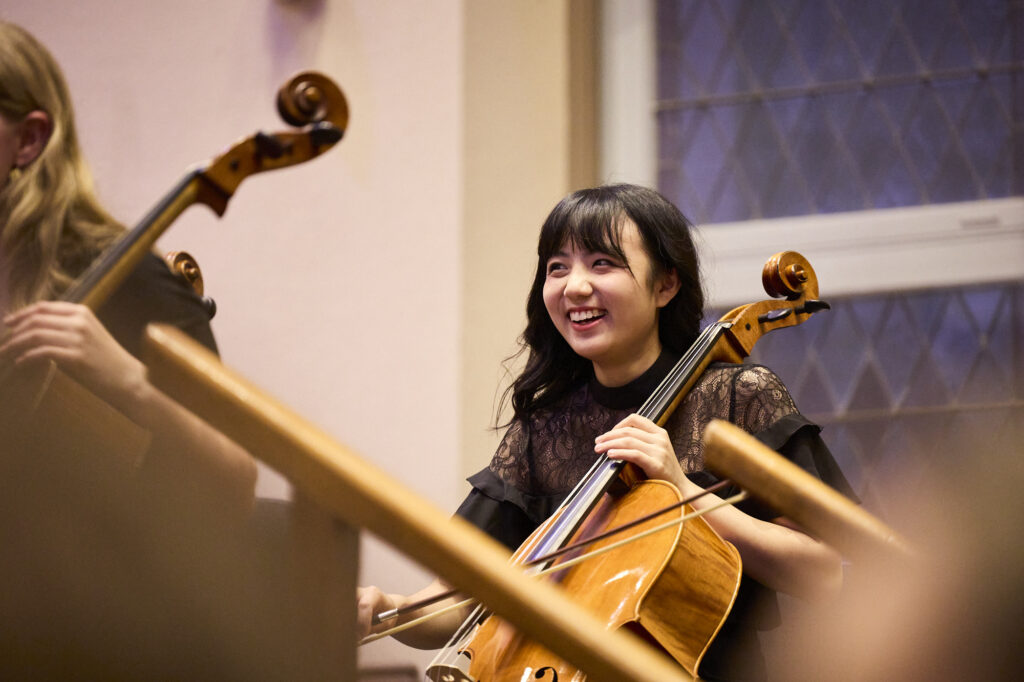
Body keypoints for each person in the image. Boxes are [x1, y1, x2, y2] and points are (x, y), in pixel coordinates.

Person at [357, 184, 857, 681]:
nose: (574, 286)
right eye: (558, 267)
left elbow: (823, 572)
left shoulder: (740, 397)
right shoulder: (544, 430)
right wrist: (392, 609)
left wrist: (683, 494)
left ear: (665, 285)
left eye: (602, 263)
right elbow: (462, 593)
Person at [0, 20, 261, 677]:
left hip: (92, 638)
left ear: (28, 139)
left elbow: (236, 477)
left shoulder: (126, 279)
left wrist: (127, 380)